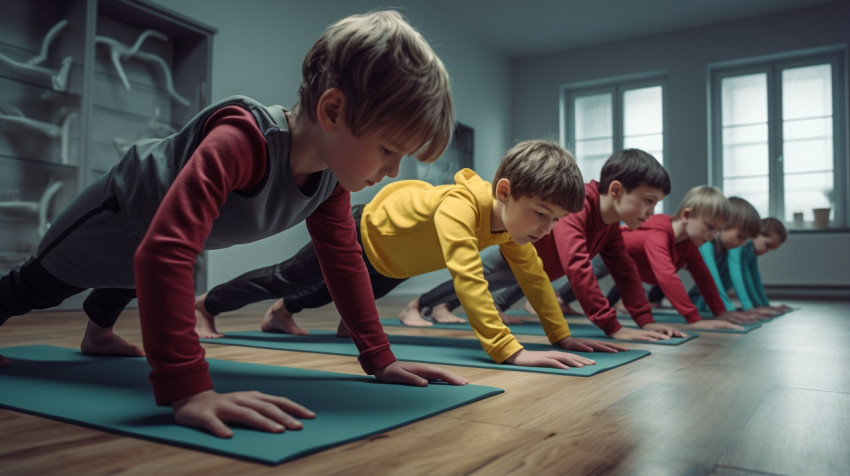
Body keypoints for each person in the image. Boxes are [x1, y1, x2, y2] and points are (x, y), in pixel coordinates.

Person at [0, 11, 464, 438]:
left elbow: (344, 263)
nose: (395, 171)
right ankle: (90, 327)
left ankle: (97, 336)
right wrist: (188, 388)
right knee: (37, 286)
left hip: (151, 238)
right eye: (388, 149)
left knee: (129, 279)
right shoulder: (242, 139)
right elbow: (164, 254)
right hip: (117, 212)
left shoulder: (330, 182)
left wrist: (381, 360)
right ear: (332, 111)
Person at [195, 140, 627, 369]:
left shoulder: (511, 229)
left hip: (394, 265)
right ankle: (207, 306)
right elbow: (467, 276)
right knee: (286, 275)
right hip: (362, 234)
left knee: (327, 293)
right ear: (504, 192)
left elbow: (534, 278)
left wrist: (561, 335)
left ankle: (281, 314)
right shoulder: (460, 206)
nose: (545, 229)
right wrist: (508, 349)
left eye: (554, 221)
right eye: (541, 214)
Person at [414, 149, 687, 342]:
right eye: (648, 200)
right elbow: (578, 266)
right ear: (615, 190)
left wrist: (646, 320)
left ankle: (443, 307)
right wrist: (611, 326)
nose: (652, 211)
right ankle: (417, 304)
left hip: (537, 271)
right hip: (516, 255)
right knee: (472, 281)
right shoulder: (580, 206)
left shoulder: (611, 227)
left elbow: (625, 272)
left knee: (500, 286)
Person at [576, 186, 747, 330]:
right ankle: (561, 299)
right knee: (585, 277)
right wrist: (694, 318)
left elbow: (704, 278)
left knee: (626, 283)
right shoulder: (658, 236)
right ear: (686, 216)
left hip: (632, 266)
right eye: (710, 227)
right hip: (611, 250)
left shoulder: (688, 246)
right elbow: (667, 276)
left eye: (717, 231)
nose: (713, 235)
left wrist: (720, 312)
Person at [689, 197, 772, 320]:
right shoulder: (706, 243)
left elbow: (711, 280)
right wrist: (727, 308)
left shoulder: (722, 246)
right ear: (723, 224)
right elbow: (711, 276)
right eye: (740, 236)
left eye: (746, 239)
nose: (743, 244)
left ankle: (700, 304)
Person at [725, 217, 792, 313]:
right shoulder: (740, 245)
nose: (766, 251)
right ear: (758, 233)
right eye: (767, 245)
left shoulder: (749, 248)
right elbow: (737, 275)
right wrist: (748, 307)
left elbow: (753, 277)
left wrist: (763, 304)